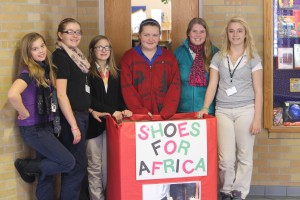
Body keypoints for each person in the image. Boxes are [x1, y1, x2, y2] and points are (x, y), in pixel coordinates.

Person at [198, 16, 263, 200]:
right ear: (227, 33)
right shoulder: (219, 57)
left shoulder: (253, 58)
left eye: (239, 31)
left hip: (246, 109)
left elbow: (258, 90)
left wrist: (257, 118)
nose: (235, 34)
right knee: (225, 159)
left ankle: (239, 192)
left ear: (245, 34)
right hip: (223, 111)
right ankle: (226, 190)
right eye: (231, 30)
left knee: (244, 155)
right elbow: (212, 85)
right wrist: (205, 106)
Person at [8, 32, 75, 199]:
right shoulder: (29, 72)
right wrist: (23, 111)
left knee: (46, 175)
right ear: (27, 53)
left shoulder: (45, 69)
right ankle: (26, 166)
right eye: (34, 49)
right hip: (34, 129)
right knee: (68, 162)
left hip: (45, 126)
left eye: (42, 46)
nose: (40, 51)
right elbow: (12, 94)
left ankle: (32, 169)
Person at [86, 35, 132, 200]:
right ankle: (96, 198)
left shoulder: (116, 72)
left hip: (113, 126)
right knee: (95, 167)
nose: (104, 50)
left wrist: (124, 109)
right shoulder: (87, 72)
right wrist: (111, 111)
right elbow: (89, 99)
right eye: (100, 47)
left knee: (109, 167)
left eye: (107, 47)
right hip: (93, 125)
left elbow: (120, 98)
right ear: (92, 50)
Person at [52, 18, 91, 199]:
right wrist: (74, 125)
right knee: (76, 167)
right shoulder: (61, 56)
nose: (75, 35)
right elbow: (61, 94)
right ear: (60, 35)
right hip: (71, 119)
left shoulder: (76, 55)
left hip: (81, 116)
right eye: (70, 32)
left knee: (78, 166)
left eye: (78, 32)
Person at [120, 18, 181, 120]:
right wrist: (140, 112)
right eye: (146, 35)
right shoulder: (128, 58)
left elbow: (175, 86)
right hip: (138, 116)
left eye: (155, 35)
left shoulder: (169, 58)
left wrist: (167, 112)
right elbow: (127, 88)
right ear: (139, 35)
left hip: (165, 116)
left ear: (159, 36)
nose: (150, 39)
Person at [175, 17, 219, 115]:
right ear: (188, 33)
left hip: (207, 111)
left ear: (206, 34)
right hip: (182, 111)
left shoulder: (215, 53)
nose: (198, 35)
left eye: (202, 31)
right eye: (194, 31)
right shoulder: (178, 53)